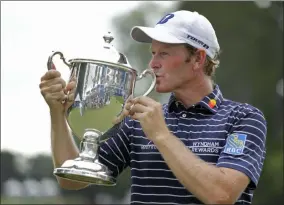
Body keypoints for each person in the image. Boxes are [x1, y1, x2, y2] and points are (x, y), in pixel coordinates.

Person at [39, 10, 267, 205]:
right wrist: (57, 113)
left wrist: (161, 135)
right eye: (153, 53)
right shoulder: (137, 121)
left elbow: (222, 195)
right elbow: (71, 179)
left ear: (198, 59)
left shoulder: (244, 118)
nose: (153, 63)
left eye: (164, 54)